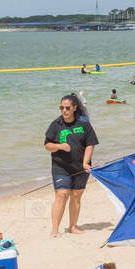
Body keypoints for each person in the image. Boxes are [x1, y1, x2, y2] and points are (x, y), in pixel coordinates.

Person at [45, 93, 98, 237]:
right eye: (61, 108)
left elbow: (90, 144)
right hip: (60, 166)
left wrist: (86, 162)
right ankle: (55, 229)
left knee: (76, 195)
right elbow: (47, 145)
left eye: (67, 108)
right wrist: (60, 146)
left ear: (74, 108)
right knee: (62, 194)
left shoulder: (84, 124)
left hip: (81, 167)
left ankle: (73, 226)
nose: (64, 111)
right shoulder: (56, 125)